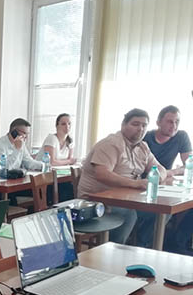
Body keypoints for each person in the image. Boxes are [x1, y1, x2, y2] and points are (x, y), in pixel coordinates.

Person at [78, 108, 167, 245]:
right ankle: (112, 249)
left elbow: (160, 169)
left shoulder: (143, 147)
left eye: (144, 125)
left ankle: (140, 247)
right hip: (97, 202)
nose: (140, 129)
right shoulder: (111, 144)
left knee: (161, 211)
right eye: (135, 124)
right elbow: (102, 174)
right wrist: (136, 184)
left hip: (127, 199)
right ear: (123, 125)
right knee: (128, 214)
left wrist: (155, 179)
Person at [143, 105, 191, 176]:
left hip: (166, 178)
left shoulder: (181, 136)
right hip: (146, 179)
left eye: (177, 122)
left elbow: (189, 165)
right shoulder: (145, 137)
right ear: (158, 123)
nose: (174, 126)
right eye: (169, 122)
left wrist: (173, 172)